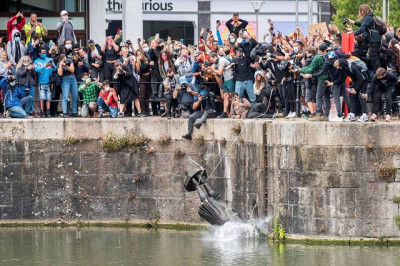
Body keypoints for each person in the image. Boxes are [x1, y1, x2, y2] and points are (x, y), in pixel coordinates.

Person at [347, 4, 382, 72]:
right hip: (376, 40)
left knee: (373, 58)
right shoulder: (371, 16)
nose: (359, 13)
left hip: (374, 41)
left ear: (362, 11)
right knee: (372, 58)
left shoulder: (368, 17)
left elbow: (363, 28)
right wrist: (353, 22)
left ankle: (379, 75)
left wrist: (352, 34)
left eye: (359, 11)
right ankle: (376, 74)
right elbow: (363, 25)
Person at [208, 51, 234, 118]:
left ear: (214, 57)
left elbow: (219, 72)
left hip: (230, 78)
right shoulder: (216, 63)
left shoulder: (221, 60)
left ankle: (233, 112)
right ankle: (224, 112)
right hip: (225, 79)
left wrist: (212, 69)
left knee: (232, 97)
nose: (212, 61)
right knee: (225, 97)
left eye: (211, 60)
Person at [34, 47, 57, 117]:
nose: (44, 54)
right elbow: (36, 69)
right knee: (42, 97)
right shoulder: (36, 61)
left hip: (49, 82)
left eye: (45, 53)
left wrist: (52, 65)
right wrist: (45, 66)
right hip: (41, 82)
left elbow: (55, 68)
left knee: (48, 98)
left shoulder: (50, 59)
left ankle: (48, 111)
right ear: (39, 54)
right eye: (42, 53)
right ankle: (42, 112)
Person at [135, 49, 151, 116]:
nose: (139, 55)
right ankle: (143, 110)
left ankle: (147, 110)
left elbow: (150, 68)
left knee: (147, 95)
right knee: (142, 95)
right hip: (142, 78)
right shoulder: (138, 62)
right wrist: (138, 61)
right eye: (137, 54)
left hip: (149, 78)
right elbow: (138, 71)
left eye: (140, 54)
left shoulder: (147, 59)